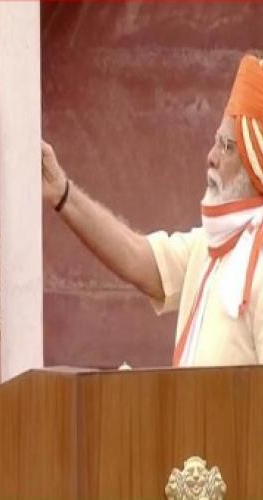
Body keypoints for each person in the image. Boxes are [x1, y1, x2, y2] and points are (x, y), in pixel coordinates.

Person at [42, 52, 263, 367]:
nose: (211, 157)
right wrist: (62, 193)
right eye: (216, 142)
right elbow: (140, 258)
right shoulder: (209, 246)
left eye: (227, 147)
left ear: (257, 165)